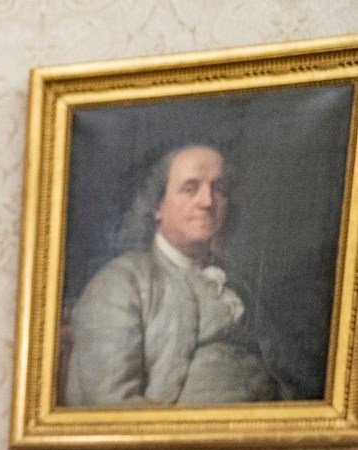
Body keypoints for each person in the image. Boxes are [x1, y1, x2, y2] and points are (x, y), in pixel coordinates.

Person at [64, 144, 287, 407]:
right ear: (157, 205)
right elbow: (110, 405)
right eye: (190, 189)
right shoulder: (120, 283)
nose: (207, 202)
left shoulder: (239, 285)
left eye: (219, 189)